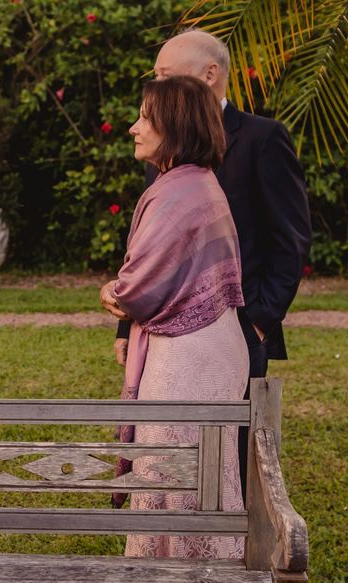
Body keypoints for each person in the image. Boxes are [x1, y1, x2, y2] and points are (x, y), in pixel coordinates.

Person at [114, 29, 311, 488]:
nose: (158, 84)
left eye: (167, 74)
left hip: (238, 323)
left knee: (233, 453)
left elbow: (291, 239)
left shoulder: (264, 138)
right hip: (167, 329)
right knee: (172, 446)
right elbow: (148, 248)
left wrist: (259, 319)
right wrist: (129, 324)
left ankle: (235, 544)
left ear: (210, 73)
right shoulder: (163, 139)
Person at [100, 76, 247, 559]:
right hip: (208, 345)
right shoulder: (197, 185)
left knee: (171, 473)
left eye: (145, 117)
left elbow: (136, 291)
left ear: (175, 125)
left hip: (188, 357)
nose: (133, 127)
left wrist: (111, 290)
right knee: (195, 473)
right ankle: (196, 580)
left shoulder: (177, 195)